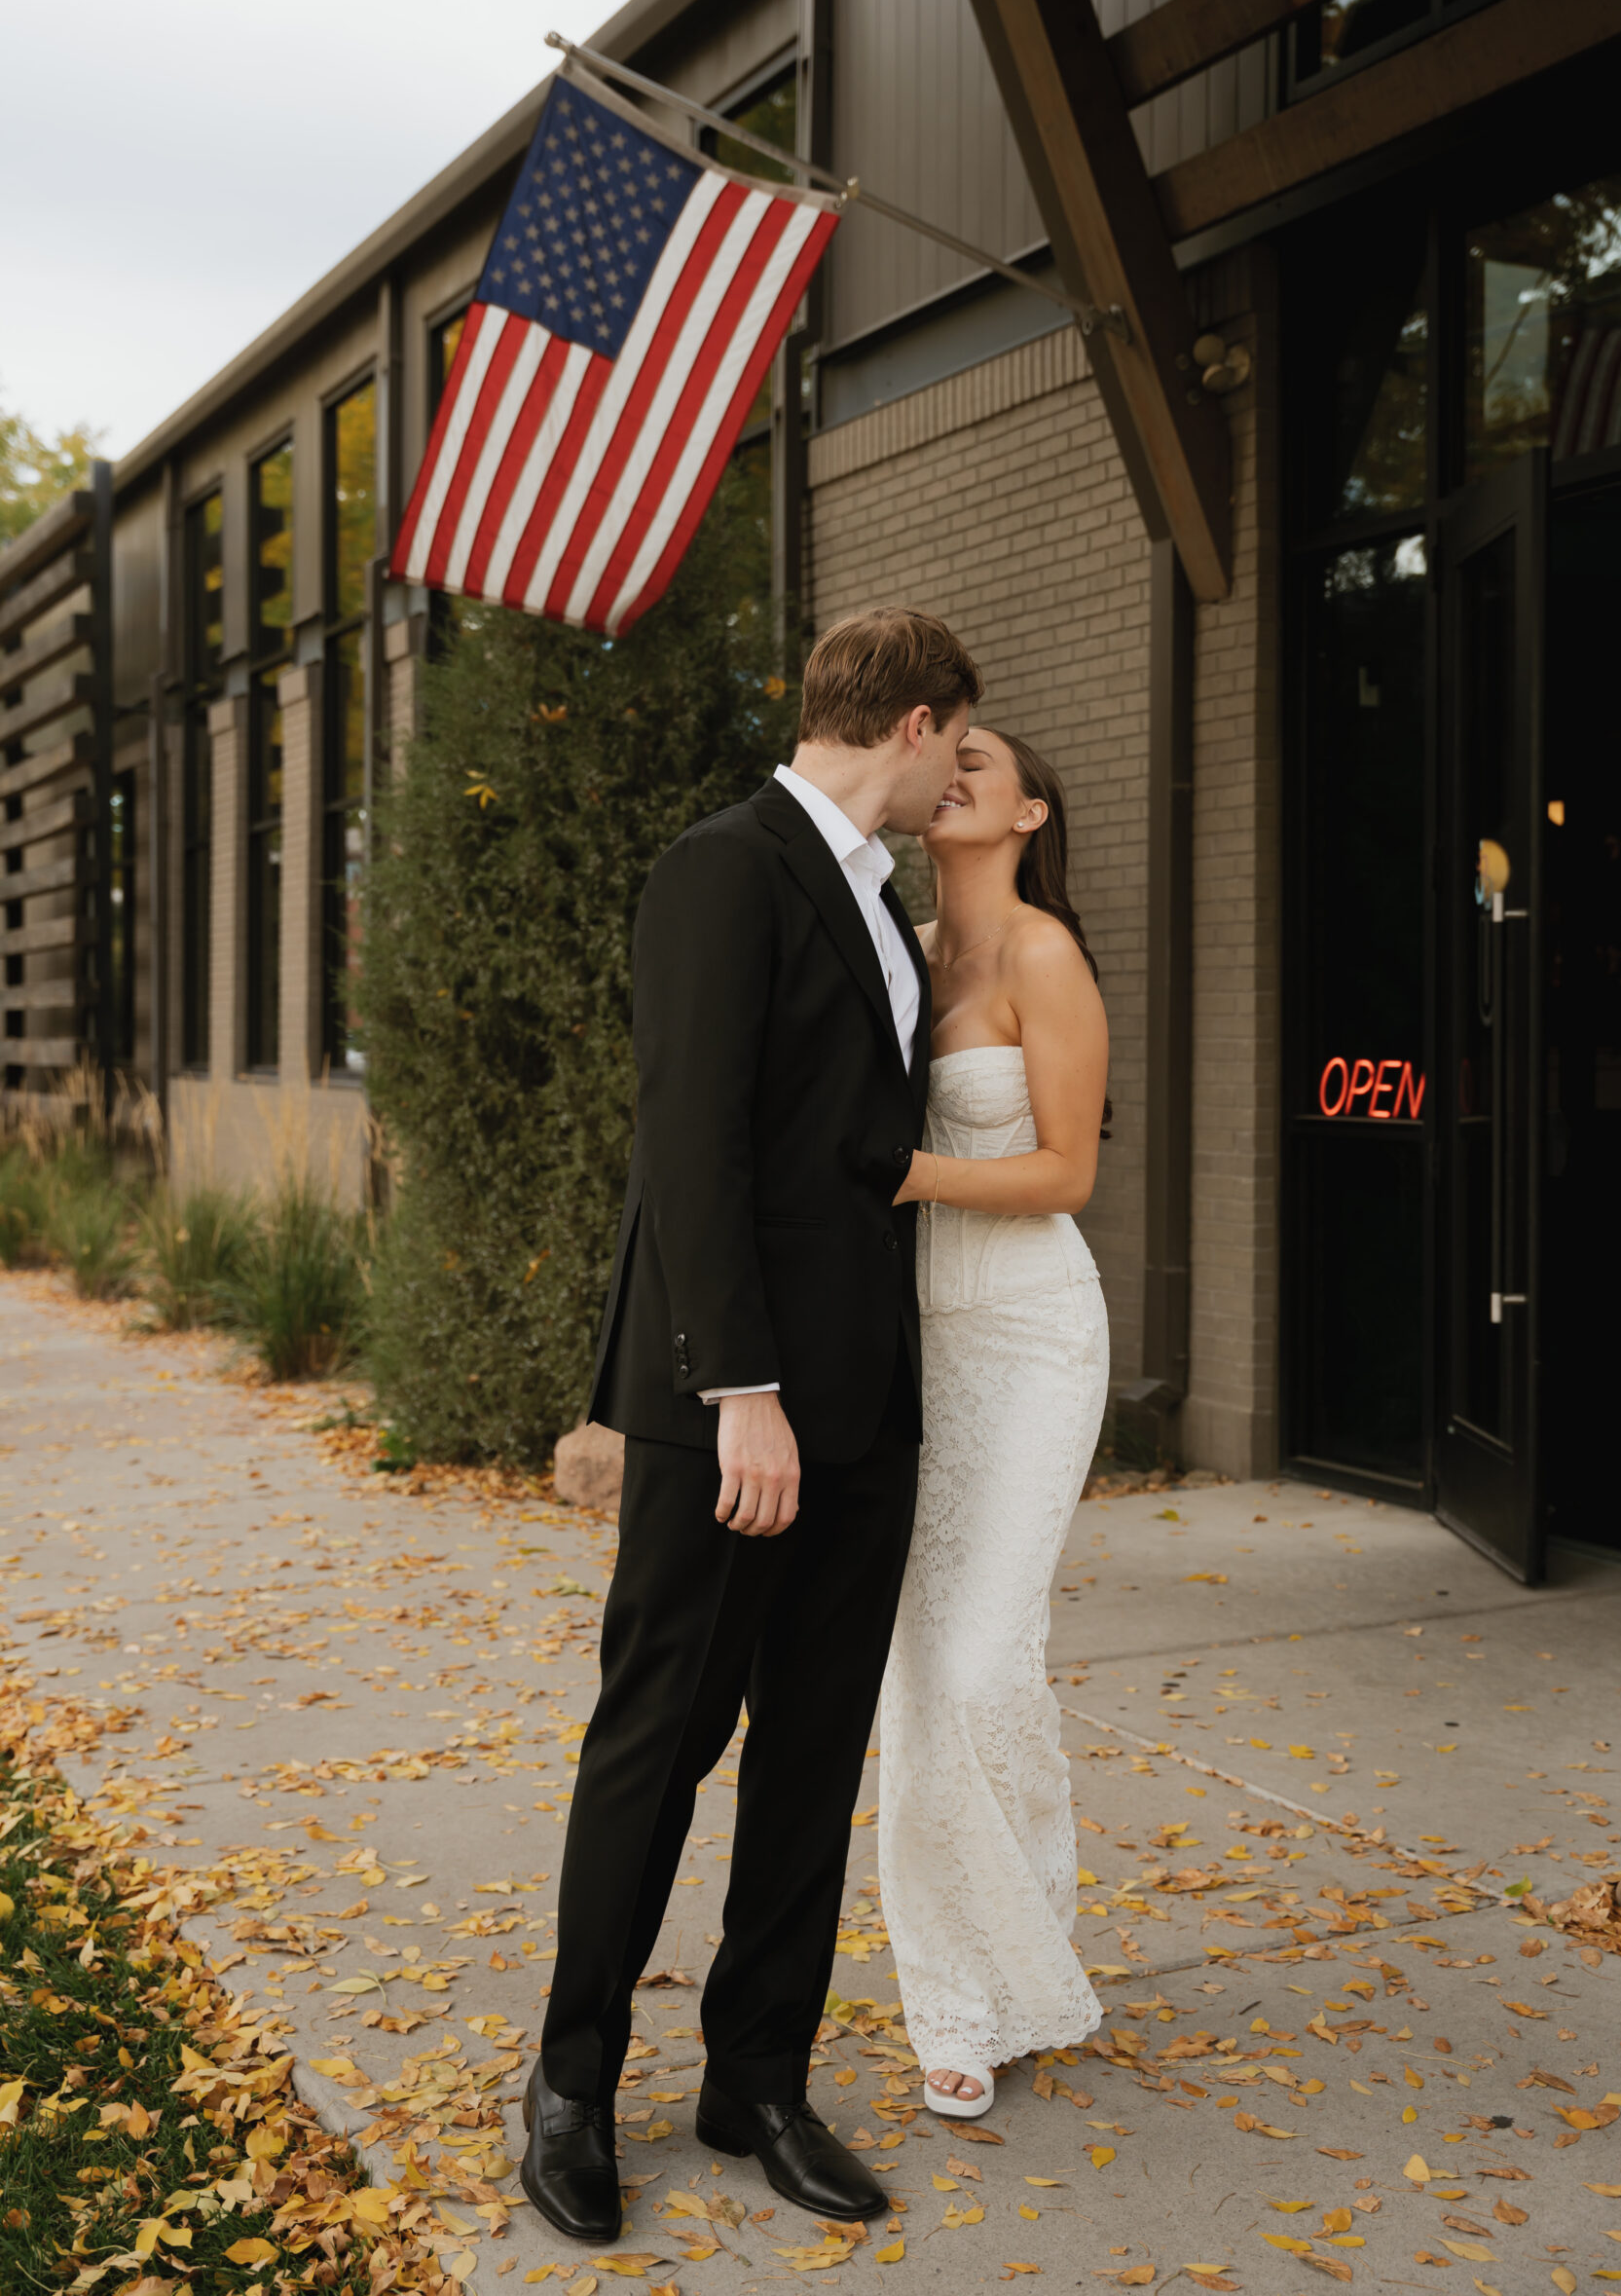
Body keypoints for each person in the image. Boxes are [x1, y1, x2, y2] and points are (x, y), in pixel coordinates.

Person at [521, 606, 984, 2243]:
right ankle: (573, 2085)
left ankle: (758, 2081)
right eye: (957, 750)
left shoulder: (880, 901)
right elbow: (693, 1142)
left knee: (810, 1752)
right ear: (916, 724)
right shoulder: (725, 865)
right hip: (738, 1406)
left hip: (869, 1403)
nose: (956, 783)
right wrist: (741, 1394)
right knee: (658, 1742)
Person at [879, 726, 1112, 2120]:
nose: (955, 768)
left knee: (987, 1670)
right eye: (942, 752)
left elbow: (1067, 1169)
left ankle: (1030, 1931)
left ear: (1030, 806)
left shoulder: (1044, 956)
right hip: (909, 1348)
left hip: (1028, 1339)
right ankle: (956, 1998)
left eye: (985, 759)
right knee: (919, 1686)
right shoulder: (898, 949)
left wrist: (899, 1173)